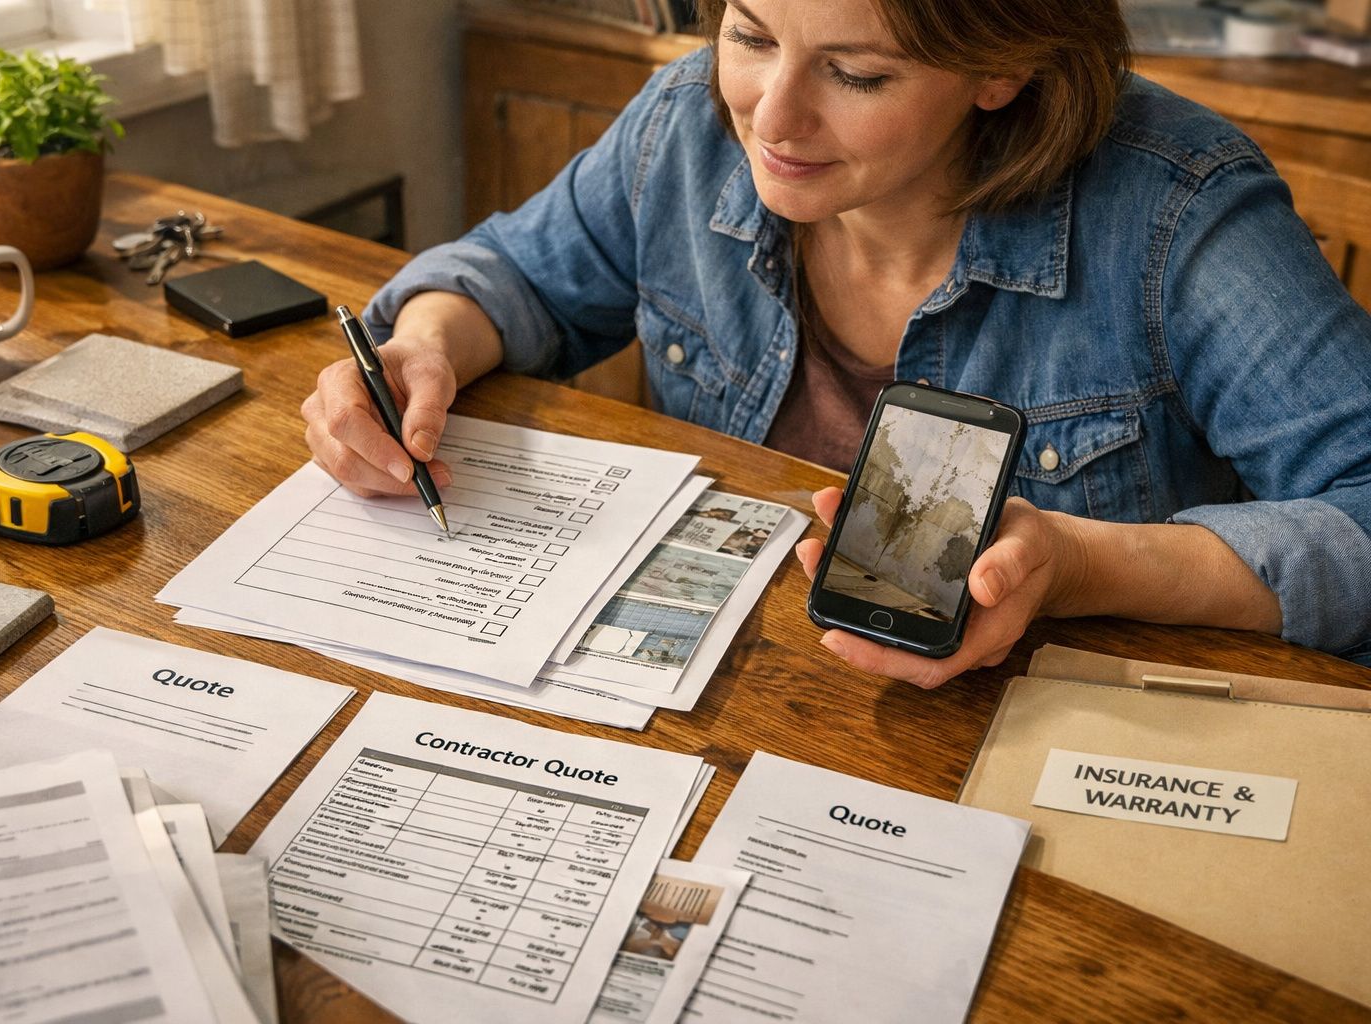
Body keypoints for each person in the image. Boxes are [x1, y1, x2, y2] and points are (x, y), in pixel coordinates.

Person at [303, 0, 1371, 684]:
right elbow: (522, 274)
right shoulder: (683, 125)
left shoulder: (1179, 212)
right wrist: (427, 345)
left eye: (855, 74)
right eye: (751, 32)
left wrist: (1082, 566)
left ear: (999, 69)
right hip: (733, 693)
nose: (770, 118)